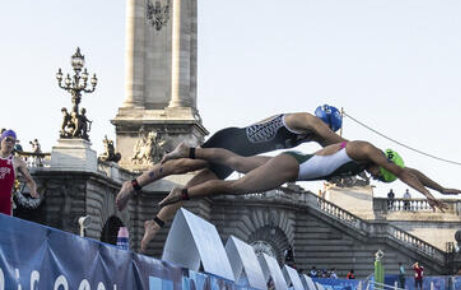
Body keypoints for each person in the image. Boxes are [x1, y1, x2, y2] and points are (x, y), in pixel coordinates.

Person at [116, 106, 347, 249]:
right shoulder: (306, 120)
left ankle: (155, 223)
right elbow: (336, 142)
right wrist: (371, 154)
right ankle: (133, 184)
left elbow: (330, 151)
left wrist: (359, 162)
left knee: (194, 188)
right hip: (232, 141)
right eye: (329, 128)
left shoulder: (308, 136)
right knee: (184, 165)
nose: (326, 132)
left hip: (236, 155)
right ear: (325, 123)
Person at [154, 140, 461, 214]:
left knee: (237, 160)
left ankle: (188, 151)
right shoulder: (364, 150)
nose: (375, 179)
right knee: (234, 187)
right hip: (292, 169)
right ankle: (180, 195)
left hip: (295, 162)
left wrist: (442, 188)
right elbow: (401, 172)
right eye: (379, 176)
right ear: (380, 165)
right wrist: (428, 196)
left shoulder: (366, 157)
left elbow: (409, 171)